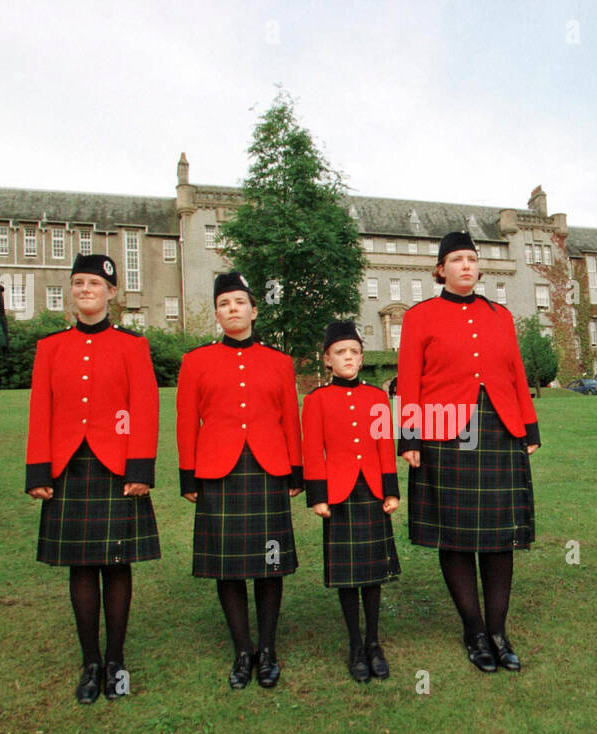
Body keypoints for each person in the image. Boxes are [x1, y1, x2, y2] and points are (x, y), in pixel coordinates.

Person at [397, 231, 540, 673]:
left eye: (472, 259)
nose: (466, 266)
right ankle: (474, 630)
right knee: (455, 533)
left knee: (501, 536)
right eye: (456, 259)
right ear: (441, 269)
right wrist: (410, 435)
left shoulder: (500, 315)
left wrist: (529, 425)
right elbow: (409, 376)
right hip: (443, 431)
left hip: (499, 427)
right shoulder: (420, 316)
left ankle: (498, 631)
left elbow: (516, 370)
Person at [26, 254, 160, 704]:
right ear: (72, 289)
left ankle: (117, 660)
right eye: (79, 283)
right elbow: (39, 412)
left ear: (112, 293)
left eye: (95, 284)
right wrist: (38, 470)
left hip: (117, 468)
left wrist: (140, 469)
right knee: (81, 566)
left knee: (117, 564)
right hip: (68, 469)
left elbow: (144, 408)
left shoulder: (133, 346)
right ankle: (90, 662)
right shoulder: (50, 348)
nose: (86, 290)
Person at [176, 272, 303, 690]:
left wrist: (295, 469)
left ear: (253, 309)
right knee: (227, 568)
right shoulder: (196, 361)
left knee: (270, 565)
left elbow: (290, 419)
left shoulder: (279, 362)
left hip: (268, 470)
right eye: (224, 303)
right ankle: (242, 649)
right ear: (217, 313)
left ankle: (267, 649)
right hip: (217, 470)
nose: (232, 309)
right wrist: (187, 473)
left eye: (239, 302)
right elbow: (185, 422)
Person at [302, 320, 401, 682]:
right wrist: (318, 497)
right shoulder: (316, 400)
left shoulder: (376, 397)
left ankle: (374, 642)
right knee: (348, 575)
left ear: (361, 358)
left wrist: (391, 491)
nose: (348, 358)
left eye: (354, 352)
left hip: (372, 493)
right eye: (340, 353)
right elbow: (312, 451)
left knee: (372, 573)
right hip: (338, 495)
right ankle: (355, 644)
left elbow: (384, 447)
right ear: (327, 360)